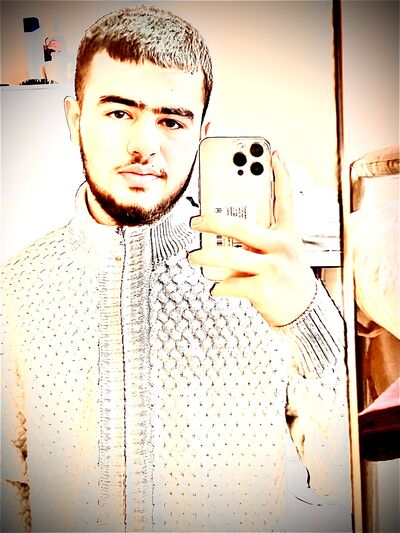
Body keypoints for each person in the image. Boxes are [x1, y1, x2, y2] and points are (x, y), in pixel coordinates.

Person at [1, 5, 351, 532]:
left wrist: (307, 321)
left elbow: (343, 478)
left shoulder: (265, 281)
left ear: (201, 134)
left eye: (171, 121)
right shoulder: (15, 288)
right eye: (118, 113)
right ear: (75, 120)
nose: (145, 146)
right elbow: (10, 482)